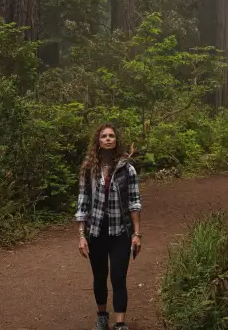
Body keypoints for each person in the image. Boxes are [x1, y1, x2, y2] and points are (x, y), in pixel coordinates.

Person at [76, 123, 142, 330]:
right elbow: (83, 201)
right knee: (99, 276)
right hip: (96, 232)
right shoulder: (89, 169)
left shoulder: (127, 168)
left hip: (120, 231)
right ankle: (102, 315)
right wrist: (81, 235)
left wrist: (137, 234)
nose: (107, 138)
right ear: (98, 141)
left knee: (118, 277)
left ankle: (120, 324)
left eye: (111, 136)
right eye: (103, 136)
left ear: (116, 141)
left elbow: (134, 201)